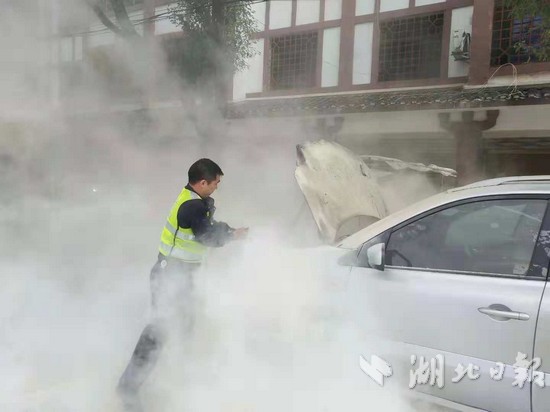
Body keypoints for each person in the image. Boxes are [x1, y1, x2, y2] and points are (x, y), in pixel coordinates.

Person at [117, 158, 248, 410]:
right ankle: (128, 387)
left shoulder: (193, 201)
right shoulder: (193, 206)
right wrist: (232, 236)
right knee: (158, 330)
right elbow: (207, 236)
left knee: (184, 325)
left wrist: (231, 231)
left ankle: (179, 380)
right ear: (202, 182)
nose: (217, 187)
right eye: (216, 183)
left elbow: (206, 227)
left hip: (179, 275)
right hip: (170, 276)